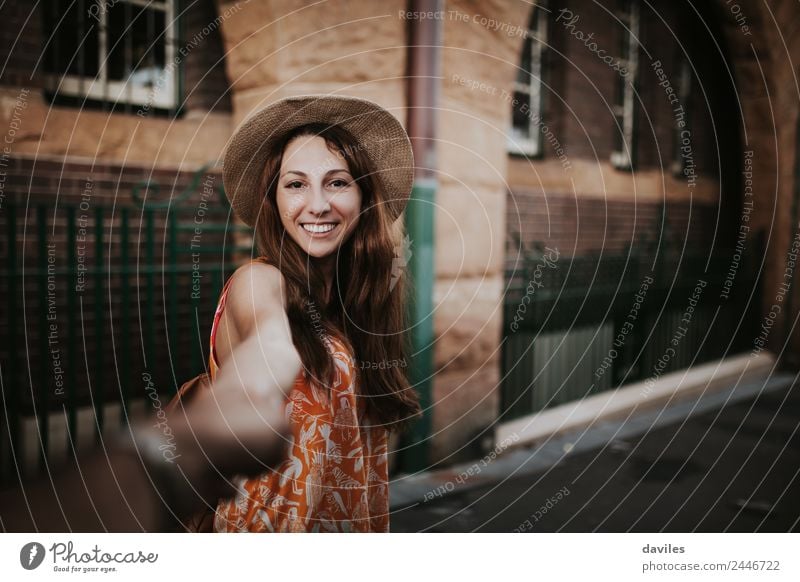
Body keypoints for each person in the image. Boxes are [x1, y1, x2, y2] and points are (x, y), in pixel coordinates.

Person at [206, 94, 421, 532]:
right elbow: (271, 345)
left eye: (338, 182)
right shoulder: (258, 282)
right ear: (274, 199)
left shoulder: (360, 304)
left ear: (363, 196)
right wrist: (246, 389)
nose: (318, 204)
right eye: (296, 184)